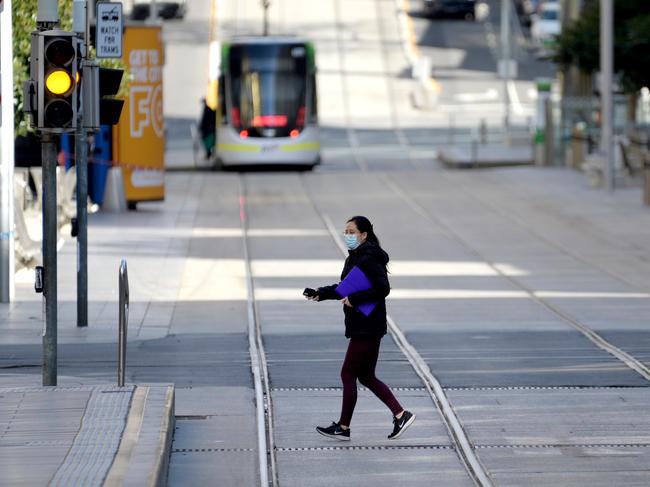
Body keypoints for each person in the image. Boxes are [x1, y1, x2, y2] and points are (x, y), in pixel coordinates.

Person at [305, 216, 415, 441]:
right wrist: (321, 293)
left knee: (348, 373)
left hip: (367, 324)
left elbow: (382, 288)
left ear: (364, 235)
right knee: (366, 376)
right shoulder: (356, 256)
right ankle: (400, 414)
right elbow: (346, 287)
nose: (347, 235)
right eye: (345, 231)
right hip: (365, 324)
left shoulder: (369, 257)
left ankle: (343, 427)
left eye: (351, 231)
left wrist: (354, 300)